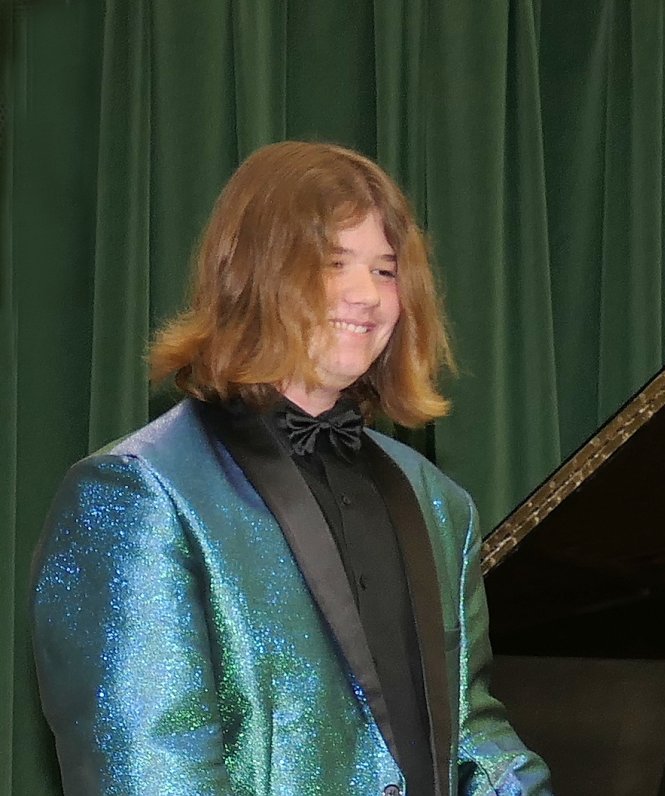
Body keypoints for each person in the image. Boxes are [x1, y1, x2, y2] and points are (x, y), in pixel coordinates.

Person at [31, 141, 553, 795]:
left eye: (385, 271)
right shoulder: (137, 492)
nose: (367, 296)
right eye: (334, 264)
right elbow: (151, 774)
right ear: (253, 273)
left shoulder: (438, 501)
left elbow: (474, 741)